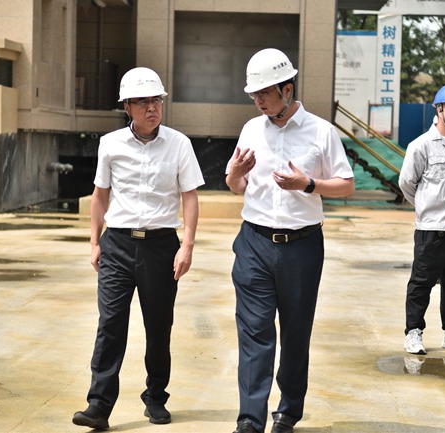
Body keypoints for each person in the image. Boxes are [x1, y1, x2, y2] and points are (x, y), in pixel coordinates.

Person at [225, 48, 355, 433]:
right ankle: (250, 419)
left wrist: (308, 184)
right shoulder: (252, 130)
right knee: (254, 332)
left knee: (296, 333)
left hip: (302, 246)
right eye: (254, 94)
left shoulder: (321, 132)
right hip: (253, 242)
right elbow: (237, 186)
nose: (258, 100)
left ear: (287, 88)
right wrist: (233, 173)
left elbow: (346, 185)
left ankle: (288, 410)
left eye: (265, 92)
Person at [72, 67, 204, 430]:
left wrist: (187, 245)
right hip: (117, 245)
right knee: (110, 325)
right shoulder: (110, 144)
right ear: (127, 107)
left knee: (158, 326)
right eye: (142, 102)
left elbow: (190, 197)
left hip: (161, 247)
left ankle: (155, 398)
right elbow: (100, 196)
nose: (152, 108)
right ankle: (98, 405)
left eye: (156, 100)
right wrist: (94, 241)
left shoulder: (179, 144)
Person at [398, 84, 445, 355]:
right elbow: (407, 184)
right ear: (439, 109)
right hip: (432, 229)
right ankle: (413, 332)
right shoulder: (421, 145)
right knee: (421, 283)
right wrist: (426, 207)